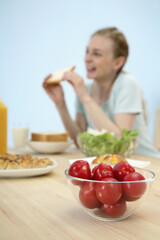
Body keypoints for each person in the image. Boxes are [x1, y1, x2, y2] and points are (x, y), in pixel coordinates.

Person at [43, 27, 160, 158]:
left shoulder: (127, 83)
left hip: (146, 163)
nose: (87, 58)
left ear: (118, 62)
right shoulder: (85, 89)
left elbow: (119, 141)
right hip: (113, 165)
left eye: (96, 54)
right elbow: (78, 140)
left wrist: (86, 98)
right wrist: (60, 103)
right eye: (87, 51)